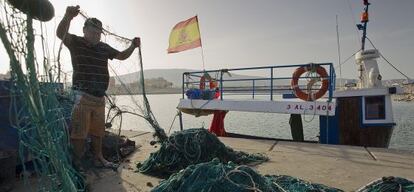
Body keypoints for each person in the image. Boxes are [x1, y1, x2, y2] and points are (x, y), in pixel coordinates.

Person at [56, 5, 140, 169]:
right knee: (79, 133)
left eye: (98, 32)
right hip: (82, 95)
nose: (95, 35)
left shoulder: (104, 48)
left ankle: (98, 158)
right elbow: (60, 33)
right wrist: (67, 16)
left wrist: (133, 46)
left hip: (99, 97)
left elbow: (122, 56)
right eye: (92, 31)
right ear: (84, 30)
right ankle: (77, 162)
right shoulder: (76, 42)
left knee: (98, 132)